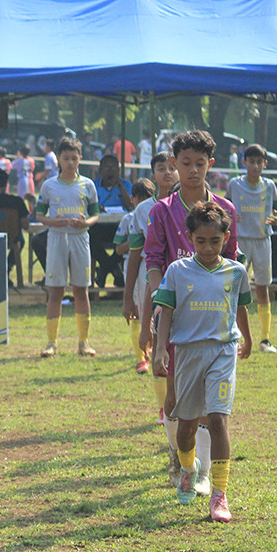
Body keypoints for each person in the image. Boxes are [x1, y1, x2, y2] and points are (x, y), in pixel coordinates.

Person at [140, 130, 240, 495]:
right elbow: (153, 258)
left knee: (213, 406)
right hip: (174, 314)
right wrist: (159, 296)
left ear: (211, 165)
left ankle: (204, 476)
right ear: (173, 166)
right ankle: (178, 456)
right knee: (174, 398)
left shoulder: (226, 210)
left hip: (212, 319)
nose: (193, 171)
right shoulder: (162, 211)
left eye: (200, 164)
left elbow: (233, 263)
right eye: (185, 164)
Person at [152, 201, 252, 523]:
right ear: (189, 237)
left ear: (226, 237)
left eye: (215, 241)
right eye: (200, 241)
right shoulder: (177, 272)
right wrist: (160, 349)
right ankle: (188, 468)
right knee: (187, 426)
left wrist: (248, 337)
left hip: (223, 350)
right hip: (188, 353)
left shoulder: (235, 272)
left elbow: (240, 307)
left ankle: (220, 496)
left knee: (219, 420)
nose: (208, 248)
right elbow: (165, 311)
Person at [123, 151, 178, 421]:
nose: (168, 172)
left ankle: (182, 400)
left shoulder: (192, 204)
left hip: (184, 277)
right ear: (152, 174)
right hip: (153, 275)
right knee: (157, 339)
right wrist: (127, 297)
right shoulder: (143, 210)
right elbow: (135, 255)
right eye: (161, 168)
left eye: (172, 167)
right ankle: (163, 406)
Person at [35, 137, 99, 358]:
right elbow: (39, 214)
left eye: (74, 158)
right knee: (56, 290)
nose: (70, 163)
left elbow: (95, 214)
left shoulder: (88, 185)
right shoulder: (49, 185)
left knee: (81, 290)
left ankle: (84, 342)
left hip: (80, 239)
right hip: (57, 238)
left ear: (80, 159)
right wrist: (54, 222)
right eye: (66, 158)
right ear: (58, 160)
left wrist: (86, 223)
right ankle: (51, 343)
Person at [226, 144, 277, 354]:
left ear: (265, 164)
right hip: (240, 241)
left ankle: (265, 339)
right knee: (235, 287)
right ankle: (232, 333)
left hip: (262, 240)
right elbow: (224, 207)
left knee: (262, 288)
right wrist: (230, 216)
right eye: (252, 161)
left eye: (259, 162)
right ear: (244, 163)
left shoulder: (269, 186)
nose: (255, 166)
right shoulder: (235, 184)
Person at [114, 178, 155, 375]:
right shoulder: (128, 219)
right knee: (139, 312)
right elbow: (118, 249)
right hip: (135, 266)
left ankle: (153, 349)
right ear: (132, 200)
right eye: (140, 199)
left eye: (147, 198)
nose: (143, 203)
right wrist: (135, 242)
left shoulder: (158, 211)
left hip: (152, 266)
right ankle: (141, 358)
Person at [92, 155, 132, 287]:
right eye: (106, 167)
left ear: (119, 170)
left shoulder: (126, 185)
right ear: (100, 170)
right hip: (99, 227)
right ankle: (115, 270)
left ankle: (104, 269)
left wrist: (120, 187)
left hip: (119, 227)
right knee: (89, 238)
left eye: (113, 167)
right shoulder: (93, 186)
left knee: (131, 238)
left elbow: (130, 207)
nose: (110, 171)